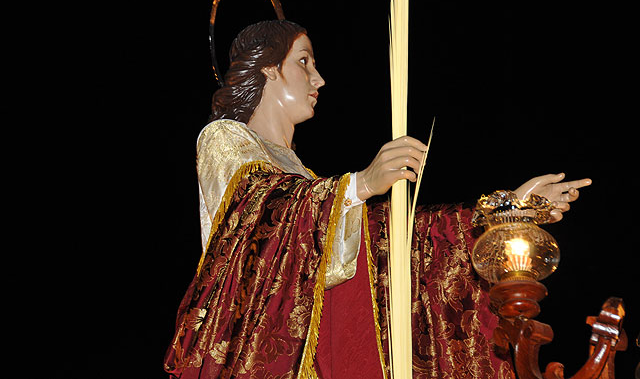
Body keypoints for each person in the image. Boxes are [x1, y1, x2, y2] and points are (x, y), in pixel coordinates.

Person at [164, 20, 591, 379]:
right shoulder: (224, 137)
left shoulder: (307, 181)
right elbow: (257, 215)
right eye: (304, 61)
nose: (319, 79)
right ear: (268, 69)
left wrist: (505, 210)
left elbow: (389, 237)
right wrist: (362, 184)